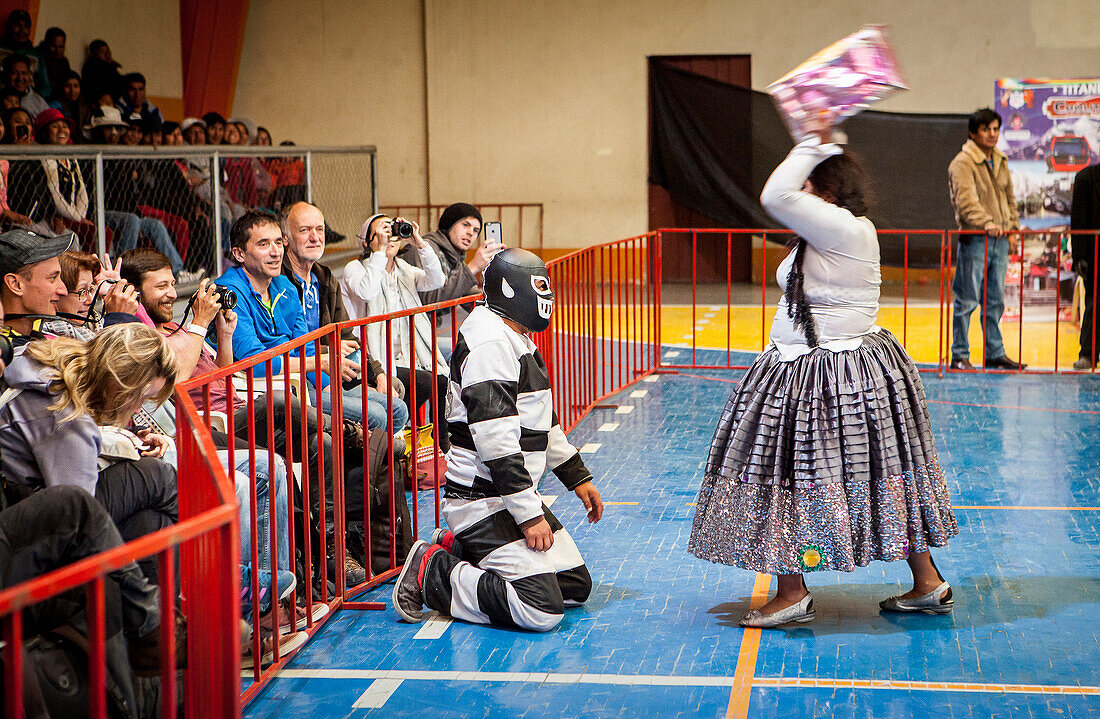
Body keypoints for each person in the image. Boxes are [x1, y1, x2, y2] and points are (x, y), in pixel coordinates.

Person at [687, 132, 959, 628]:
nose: (799, 197)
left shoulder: (842, 229)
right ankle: (927, 583)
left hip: (826, 374)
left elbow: (775, 195)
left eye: (808, 184)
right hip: (826, 367)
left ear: (826, 191)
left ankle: (792, 594)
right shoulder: (832, 232)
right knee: (882, 477)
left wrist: (813, 142)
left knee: (789, 478)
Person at [392, 248, 603, 631]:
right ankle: (431, 570)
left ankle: (457, 547)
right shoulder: (490, 344)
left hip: (507, 494)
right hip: (483, 498)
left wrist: (578, 477)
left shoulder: (511, 332)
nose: (547, 297)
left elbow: (539, 419)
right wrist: (530, 515)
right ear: (511, 289)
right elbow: (498, 445)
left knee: (573, 586)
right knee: (541, 609)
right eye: (540, 286)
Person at [213, 210, 376, 586]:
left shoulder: (285, 288)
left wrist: (321, 374)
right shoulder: (229, 292)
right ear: (239, 253)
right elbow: (255, 363)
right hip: (250, 402)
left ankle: (335, 554)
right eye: (263, 244)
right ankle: (347, 428)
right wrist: (316, 365)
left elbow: (302, 344)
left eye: (277, 243)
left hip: (296, 389)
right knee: (366, 415)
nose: (274, 252)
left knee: (324, 442)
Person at [0, 320, 179, 585]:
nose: (139, 407)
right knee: (156, 476)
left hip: (24, 504)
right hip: (32, 531)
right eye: (140, 396)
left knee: (152, 523)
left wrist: (126, 436)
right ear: (120, 384)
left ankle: (159, 615)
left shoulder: (52, 363)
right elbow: (78, 516)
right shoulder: (66, 420)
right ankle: (202, 566)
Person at [282, 202, 408, 433]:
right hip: (300, 381)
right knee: (378, 414)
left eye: (319, 230)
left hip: (333, 371)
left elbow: (348, 334)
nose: (315, 237)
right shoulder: (279, 282)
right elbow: (285, 346)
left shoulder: (325, 277)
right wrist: (330, 352)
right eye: (304, 230)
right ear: (286, 239)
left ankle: (372, 464)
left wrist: (378, 373)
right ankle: (359, 466)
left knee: (397, 405)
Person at [342, 213, 450, 450]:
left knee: (440, 379)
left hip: (406, 355)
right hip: (371, 358)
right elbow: (367, 292)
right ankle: (426, 443)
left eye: (392, 231)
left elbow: (437, 279)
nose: (389, 237)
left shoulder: (404, 270)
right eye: (382, 232)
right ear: (367, 240)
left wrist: (419, 241)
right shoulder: (355, 268)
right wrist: (379, 252)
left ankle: (437, 444)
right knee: (431, 382)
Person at [948, 107, 1025, 370]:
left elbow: (1010, 199)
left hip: (1001, 240)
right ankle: (959, 355)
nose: (992, 134)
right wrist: (988, 223)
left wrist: (1012, 230)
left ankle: (994, 353)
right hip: (976, 240)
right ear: (973, 133)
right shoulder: (962, 163)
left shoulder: (1001, 159)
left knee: (995, 300)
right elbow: (966, 203)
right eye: (986, 129)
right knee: (967, 299)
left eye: (995, 129)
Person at [1071, 162, 1100, 370]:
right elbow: (1078, 221)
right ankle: (1088, 353)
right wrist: (1079, 255)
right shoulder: (1086, 178)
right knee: (1094, 303)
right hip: (1095, 253)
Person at [2, 53, 47, 117]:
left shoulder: (39, 102)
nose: (20, 78)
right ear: (6, 75)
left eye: (24, 73)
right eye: (14, 73)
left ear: (29, 75)